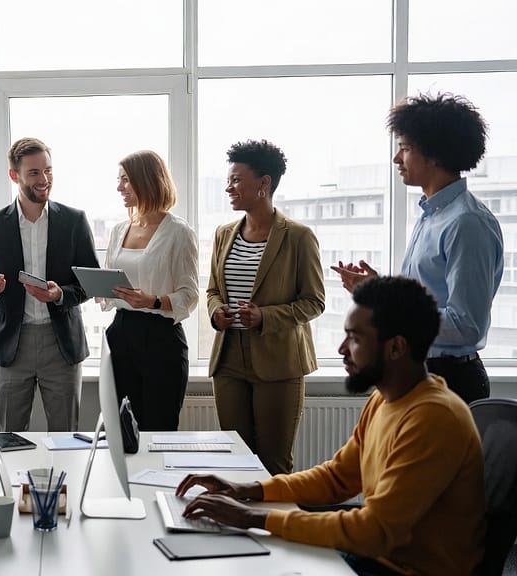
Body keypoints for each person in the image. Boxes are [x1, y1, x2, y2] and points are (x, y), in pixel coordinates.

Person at [177, 276, 485, 576]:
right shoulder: (385, 399)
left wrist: (252, 517)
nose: (342, 349)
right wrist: (248, 490)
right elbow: (336, 479)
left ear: (396, 348)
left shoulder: (433, 418)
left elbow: (375, 531)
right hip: (374, 558)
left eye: (355, 338)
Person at [331, 93, 503, 404]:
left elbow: (466, 326)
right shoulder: (433, 214)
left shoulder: (466, 223)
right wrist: (380, 290)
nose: (397, 159)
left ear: (435, 154)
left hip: (450, 378)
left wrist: (390, 307)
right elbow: (427, 297)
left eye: (406, 148)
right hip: (419, 372)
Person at [207, 139, 325, 475]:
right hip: (229, 360)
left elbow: (314, 301)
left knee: (273, 463)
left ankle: (276, 513)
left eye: (236, 180)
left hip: (279, 361)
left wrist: (265, 317)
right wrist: (216, 312)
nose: (228, 188)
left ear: (264, 183)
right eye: (228, 180)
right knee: (236, 461)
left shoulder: (298, 236)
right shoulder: (223, 234)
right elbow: (213, 290)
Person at [0, 137, 99, 432]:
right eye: (34, 173)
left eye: (48, 171)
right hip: (12, 345)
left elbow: (90, 282)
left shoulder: (74, 221)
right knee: (9, 437)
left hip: (61, 344)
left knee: (65, 437)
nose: (44, 179)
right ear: (14, 175)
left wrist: (60, 294)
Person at [101, 150, 198, 430]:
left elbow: (189, 295)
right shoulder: (119, 230)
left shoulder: (179, 232)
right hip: (120, 333)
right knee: (121, 431)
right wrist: (101, 287)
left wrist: (152, 301)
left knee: (159, 429)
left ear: (146, 180)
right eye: (119, 180)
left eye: (126, 180)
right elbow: (112, 279)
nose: (119, 187)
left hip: (161, 340)